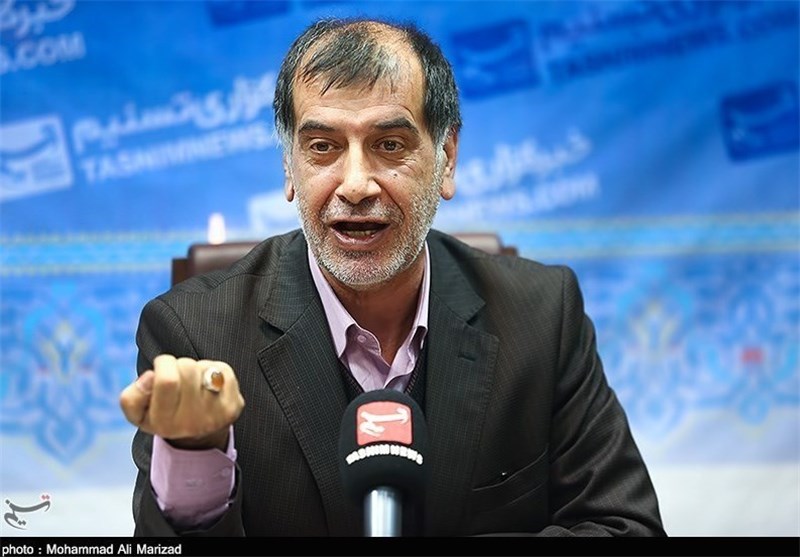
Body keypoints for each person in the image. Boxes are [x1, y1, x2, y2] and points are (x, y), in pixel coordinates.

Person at [119, 16, 665, 537]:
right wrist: (196, 454)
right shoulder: (196, 336)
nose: (356, 185)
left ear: (447, 158)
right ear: (289, 167)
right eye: (323, 147)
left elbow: (624, 525)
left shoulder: (543, 316)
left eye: (389, 145)